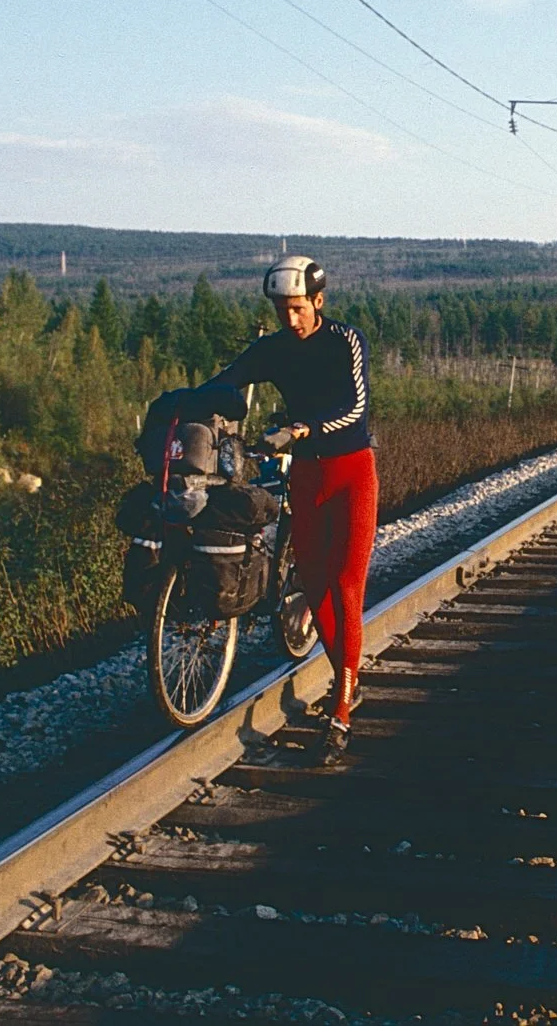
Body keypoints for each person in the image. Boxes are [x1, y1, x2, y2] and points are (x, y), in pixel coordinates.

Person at [203, 255, 375, 764]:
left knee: (346, 586)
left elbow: (356, 405)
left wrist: (304, 429)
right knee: (315, 586)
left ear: (318, 302)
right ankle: (350, 677)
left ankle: (341, 710)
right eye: (281, 310)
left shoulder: (345, 341)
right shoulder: (274, 348)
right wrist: (190, 402)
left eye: (298, 309)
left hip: (351, 474)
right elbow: (231, 378)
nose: (290, 319)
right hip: (306, 478)